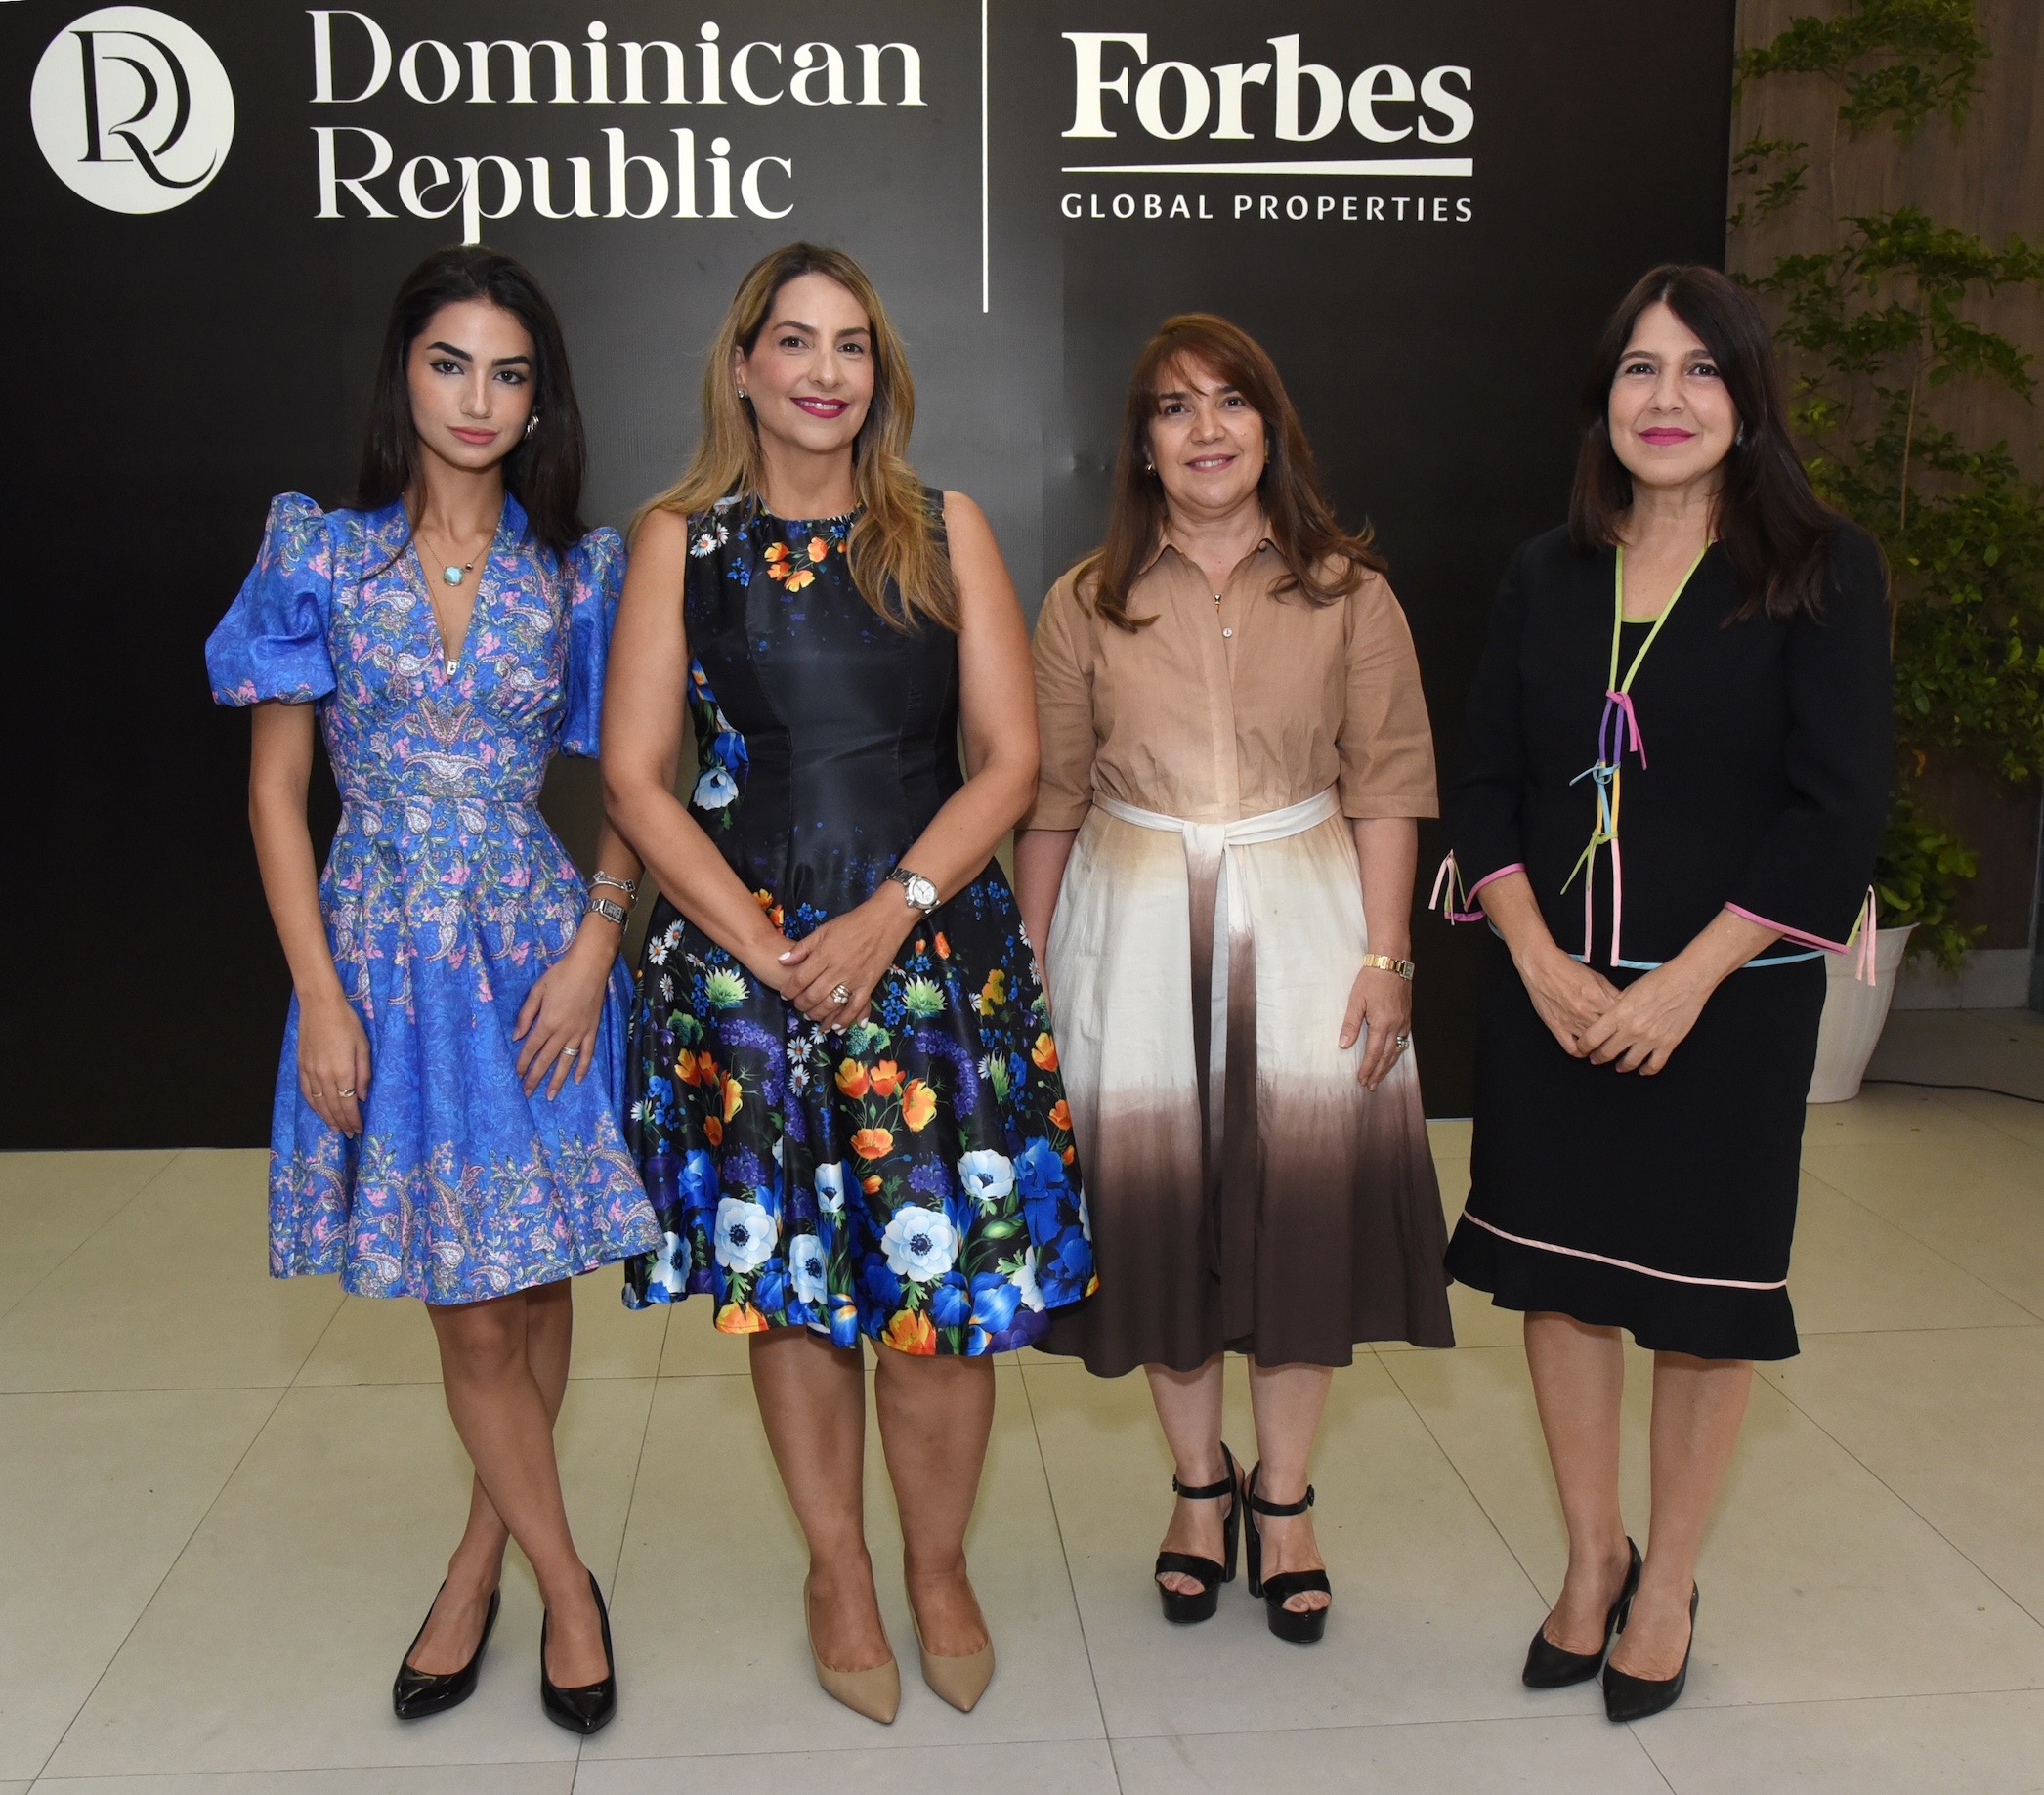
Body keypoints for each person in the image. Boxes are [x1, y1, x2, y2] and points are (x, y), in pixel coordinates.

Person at [603, 242, 1092, 1724]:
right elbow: (635, 780)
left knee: (942, 1297)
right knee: (798, 1296)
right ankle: (838, 1571)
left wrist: (892, 913)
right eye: (797, 342)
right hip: (745, 981)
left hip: (931, 964)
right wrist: (767, 951)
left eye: (853, 345)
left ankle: (939, 1567)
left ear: (881, 373)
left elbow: (1011, 760)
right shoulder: (678, 541)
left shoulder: (945, 528)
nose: (826, 372)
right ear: (743, 365)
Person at [204, 246, 660, 1735]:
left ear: (541, 399)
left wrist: (597, 947)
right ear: (403, 372)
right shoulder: (319, 555)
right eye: (450, 363)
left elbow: (636, 788)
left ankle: (479, 1558)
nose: (478, 398)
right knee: (468, 1314)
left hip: (538, 951)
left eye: (509, 373)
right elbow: (276, 797)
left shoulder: (575, 572)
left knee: (529, 1275)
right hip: (385, 958)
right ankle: (565, 1582)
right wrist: (319, 994)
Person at [1437, 265, 1891, 1720]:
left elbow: (1835, 807)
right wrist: (1534, 957)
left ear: (1748, 399)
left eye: (1702, 370)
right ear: (1604, 399)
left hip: (1730, 1001)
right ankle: (1592, 1560)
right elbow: (1486, 783)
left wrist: (1687, 984)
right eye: (1642, 368)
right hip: (1552, 996)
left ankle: (1671, 1580)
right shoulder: (1545, 571)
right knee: (1560, 1283)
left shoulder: (1820, 567)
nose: (1669, 398)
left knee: (1705, 1299)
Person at [1013, 314, 1454, 1647]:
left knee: (1302, 1214)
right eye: (1174, 407)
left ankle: (1286, 1498)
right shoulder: (1083, 600)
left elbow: (1388, 783)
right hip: (1130, 925)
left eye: (1230, 403)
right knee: (1162, 1214)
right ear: (1141, 445)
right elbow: (1050, 799)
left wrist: (1389, 956)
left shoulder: (1351, 594)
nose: (1205, 430)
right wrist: (1031, 968)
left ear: (1271, 427)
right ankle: (1198, 1488)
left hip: (1311, 917)